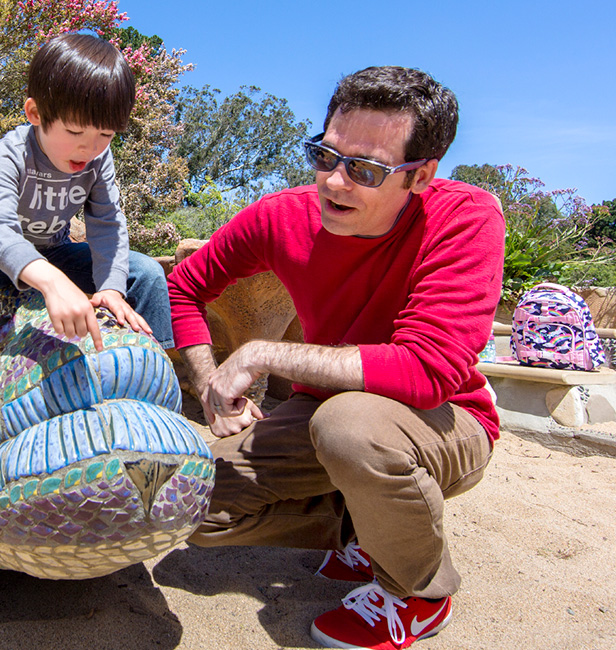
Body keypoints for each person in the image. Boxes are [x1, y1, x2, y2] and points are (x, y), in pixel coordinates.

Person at [167, 66, 504, 650]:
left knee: (349, 426)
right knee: (188, 506)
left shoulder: (465, 218)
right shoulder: (282, 215)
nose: (335, 182)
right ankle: (361, 531)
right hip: (321, 419)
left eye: (366, 169)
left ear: (420, 175)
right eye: (326, 155)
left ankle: (418, 594)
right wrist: (206, 383)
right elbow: (184, 285)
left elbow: (428, 370)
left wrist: (261, 353)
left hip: (443, 421)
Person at [0, 33, 175, 451]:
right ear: (36, 113)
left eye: (106, 135)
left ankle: (157, 379)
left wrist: (110, 287)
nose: (89, 147)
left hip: (54, 248)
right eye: (75, 130)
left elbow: (108, 224)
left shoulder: (97, 160)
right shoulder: (9, 153)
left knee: (145, 273)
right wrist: (52, 282)